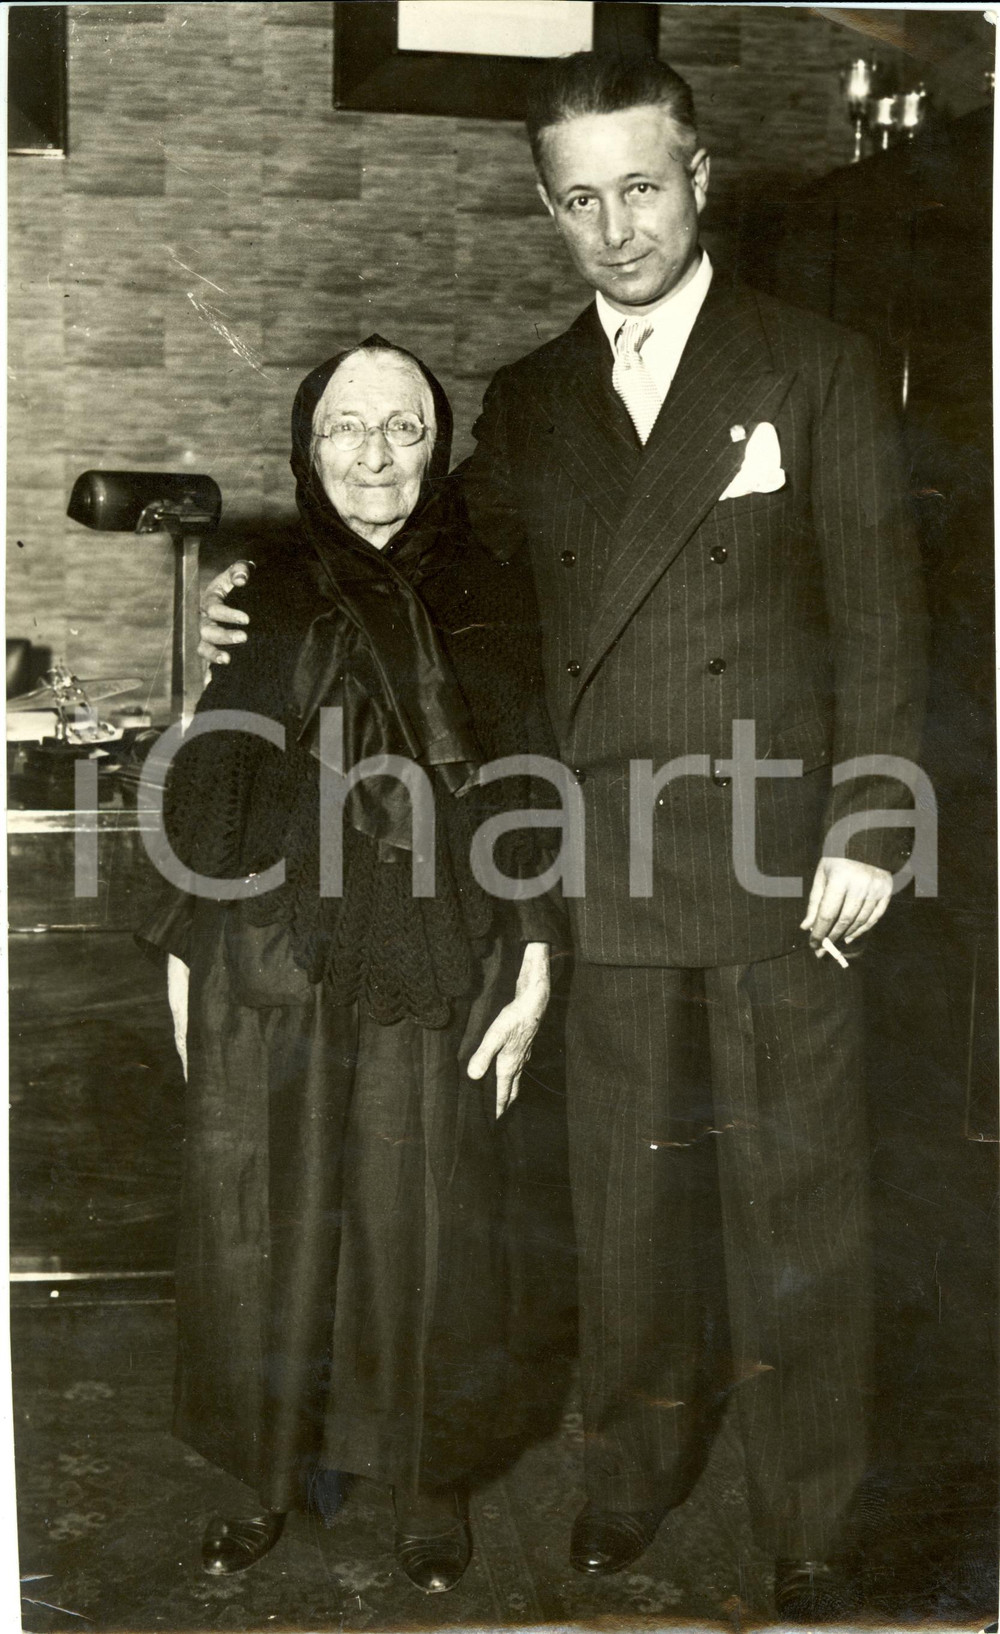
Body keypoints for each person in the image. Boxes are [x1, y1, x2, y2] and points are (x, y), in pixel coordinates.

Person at [199, 55, 926, 1622]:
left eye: (643, 185)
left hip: (781, 861)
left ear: (703, 176)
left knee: (800, 1206)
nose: (617, 227)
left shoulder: (817, 366)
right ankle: (628, 1478)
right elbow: (416, 558)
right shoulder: (529, 401)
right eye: (580, 198)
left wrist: (870, 822)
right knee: (623, 1208)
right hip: (594, 865)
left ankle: (808, 1510)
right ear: (547, 209)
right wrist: (254, 598)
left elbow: (884, 616)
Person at [140, 336, 563, 1595]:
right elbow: (212, 766)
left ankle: (431, 1485)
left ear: (437, 448)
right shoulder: (258, 585)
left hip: (442, 935)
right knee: (259, 1214)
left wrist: (537, 957)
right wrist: (180, 958)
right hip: (269, 937)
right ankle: (263, 1472)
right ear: (306, 445)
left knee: (426, 1211)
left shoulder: (493, 585)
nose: (373, 455)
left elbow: (527, 779)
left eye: (402, 428)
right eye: (345, 427)